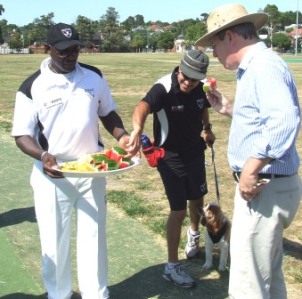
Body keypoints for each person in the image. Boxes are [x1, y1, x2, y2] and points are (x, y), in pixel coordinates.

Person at [11, 23, 139, 299]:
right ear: (48, 50)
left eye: (76, 49)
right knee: (55, 243)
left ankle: (96, 293)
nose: (71, 56)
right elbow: (22, 135)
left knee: (94, 237)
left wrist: (122, 136)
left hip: (92, 169)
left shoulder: (93, 76)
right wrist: (43, 155)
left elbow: (108, 113)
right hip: (53, 175)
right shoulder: (32, 86)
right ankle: (59, 294)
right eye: (64, 51)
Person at [195, 4, 302, 299]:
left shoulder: (262, 66)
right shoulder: (257, 66)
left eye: (214, 43)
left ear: (230, 37)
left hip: (263, 188)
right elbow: (265, 118)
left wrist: (251, 169)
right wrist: (230, 109)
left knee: (248, 284)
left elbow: (283, 121)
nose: (213, 53)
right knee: (268, 275)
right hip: (269, 186)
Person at [128, 50, 216, 288]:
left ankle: (194, 235)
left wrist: (207, 128)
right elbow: (142, 106)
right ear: (179, 68)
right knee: (178, 209)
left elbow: (203, 106)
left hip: (195, 151)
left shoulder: (200, 86)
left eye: (194, 79)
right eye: (185, 77)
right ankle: (171, 266)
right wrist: (137, 129)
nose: (188, 82)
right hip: (169, 156)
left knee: (197, 199)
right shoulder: (163, 87)